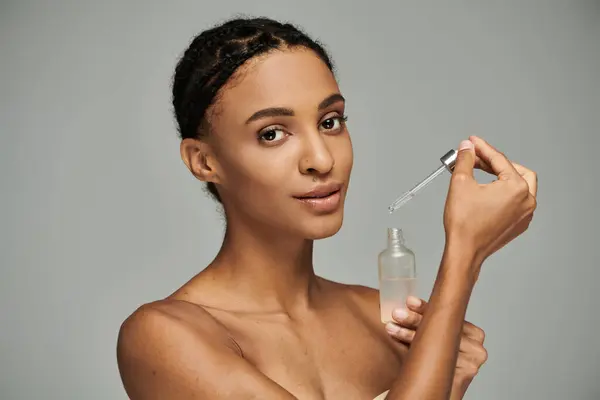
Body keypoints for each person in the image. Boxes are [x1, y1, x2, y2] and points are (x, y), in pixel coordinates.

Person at [116, 17, 537, 400]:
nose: (321, 158)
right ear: (204, 161)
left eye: (330, 121)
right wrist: (464, 257)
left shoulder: (387, 319)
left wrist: (441, 370)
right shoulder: (163, 337)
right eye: (272, 133)